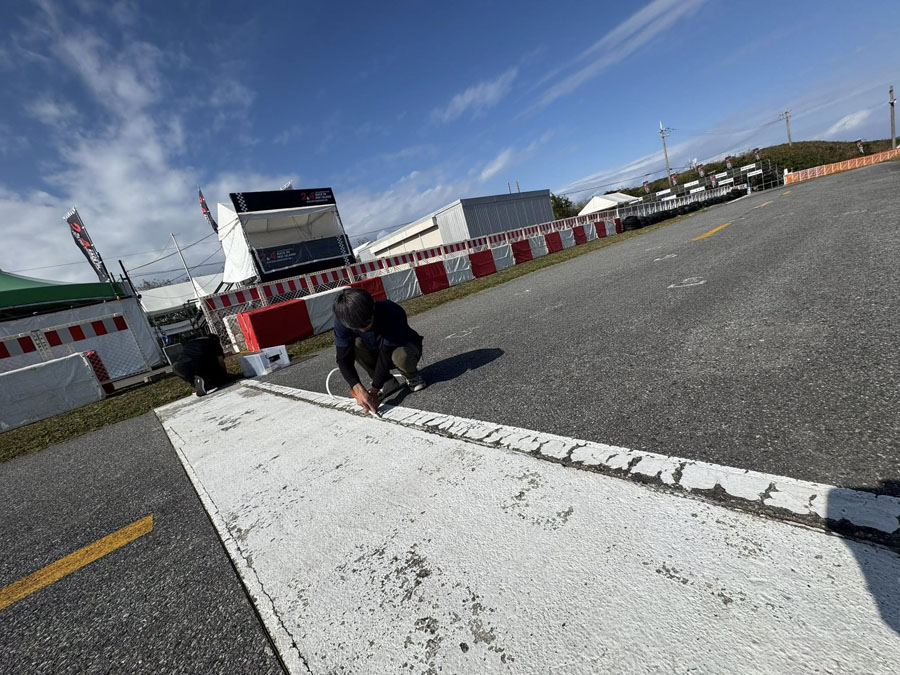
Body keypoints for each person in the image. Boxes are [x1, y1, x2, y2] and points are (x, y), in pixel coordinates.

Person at [332, 288, 426, 414]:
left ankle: (411, 375)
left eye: (367, 322)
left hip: (402, 347)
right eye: (357, 327)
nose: (363, 329)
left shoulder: (391, 311)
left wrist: (374, 391)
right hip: (377, 350)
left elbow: (386, 355)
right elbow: (343, 359)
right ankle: (388, 382)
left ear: (373, 307)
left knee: (400, 357)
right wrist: (358, 389)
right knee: (355, 345)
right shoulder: (342, 322)